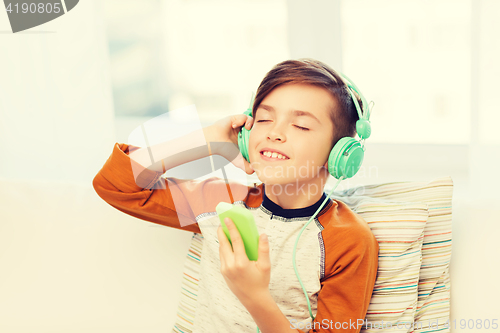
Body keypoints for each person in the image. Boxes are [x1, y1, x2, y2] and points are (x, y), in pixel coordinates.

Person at [92, 58, 379, 333]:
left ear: (340, 154)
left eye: (301, 125)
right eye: (264, 119)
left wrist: (255, 297)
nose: (274, 133)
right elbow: (116, 185)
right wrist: (206, 140)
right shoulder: (221, 201)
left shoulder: (349, 240)